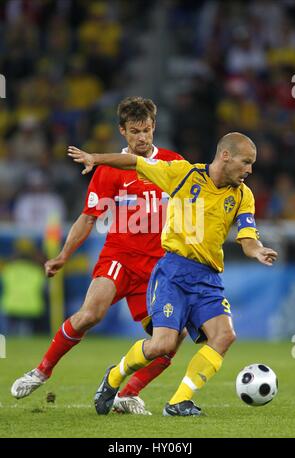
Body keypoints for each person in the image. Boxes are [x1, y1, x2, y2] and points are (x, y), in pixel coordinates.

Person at [67, 131, 278, 416]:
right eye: (246, 162)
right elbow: (133, 162)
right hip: (174, 272)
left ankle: (179, 401)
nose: (250, 170)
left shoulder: (243, 196)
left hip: (208, 278)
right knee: (162, 345)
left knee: (225, 336)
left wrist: (258, 250)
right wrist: (96, 158)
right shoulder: (183, 174)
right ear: (225, 156)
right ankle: (115, 376)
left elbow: (247, 237)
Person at [11, 96, 185, 415]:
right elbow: (88, 217)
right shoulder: (109, 169)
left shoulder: (173, 163)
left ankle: (128, 394)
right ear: (122, 131)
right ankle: (42, 370)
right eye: (135, 131)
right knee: (91, 313)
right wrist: (63, 254)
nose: (142, 137)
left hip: (157, 270)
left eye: (147, 130)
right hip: (119, 257)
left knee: (173, 338)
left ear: (154, 127)